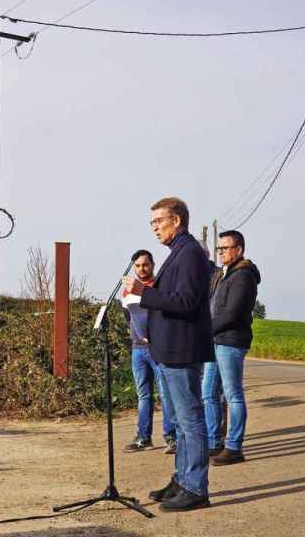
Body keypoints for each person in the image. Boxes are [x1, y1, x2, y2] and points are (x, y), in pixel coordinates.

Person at [122, 197, 214, 512]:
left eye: (159, 221)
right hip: (169, 349)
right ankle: (181, 479)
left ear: (176, 220)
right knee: (180, 421)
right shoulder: (178, 252)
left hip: (181, 349)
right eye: (152, 223)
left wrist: (143, 292)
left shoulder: (190, 253)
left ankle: (196, 488)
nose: (154, 228)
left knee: (190, 421)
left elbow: (185, 301)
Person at [202, 230, 260, 465]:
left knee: (232, 394)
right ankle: (214, 442)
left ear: (239, 250)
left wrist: (205, 331)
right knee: (208, 392)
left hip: (231, 342)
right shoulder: (224, 274)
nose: (221, 252)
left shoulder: (243, 276)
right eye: (219, 249)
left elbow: (232, 313)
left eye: (225, 248)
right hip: (216, 340)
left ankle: (234, 447)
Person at [120, 249, 177, 454]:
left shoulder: (159, 288)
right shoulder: (126, 292)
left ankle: (171, 438)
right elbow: (129, 317)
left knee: (165, 394)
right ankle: (144, 438)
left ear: (152, 265)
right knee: (143, 395)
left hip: (158, 349)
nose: (141, 269)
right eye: (137, 265)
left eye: (145, 265)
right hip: (137, 350)